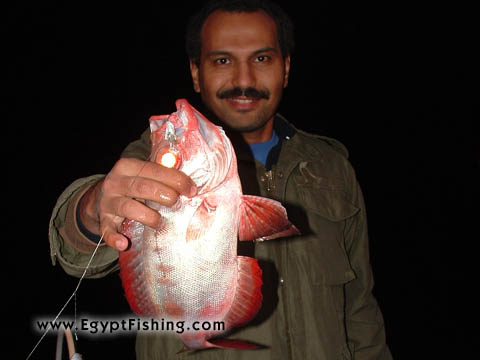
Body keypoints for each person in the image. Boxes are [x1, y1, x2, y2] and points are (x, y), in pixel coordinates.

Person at [49, 0, 392, 359]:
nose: (244, 80)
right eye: (222, 60)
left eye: (261, 58)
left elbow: (360, 309)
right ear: (196, 72)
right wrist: (90, 211)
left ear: (286, 69)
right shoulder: (155, 159)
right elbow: (75, 250)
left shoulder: (332, 167)